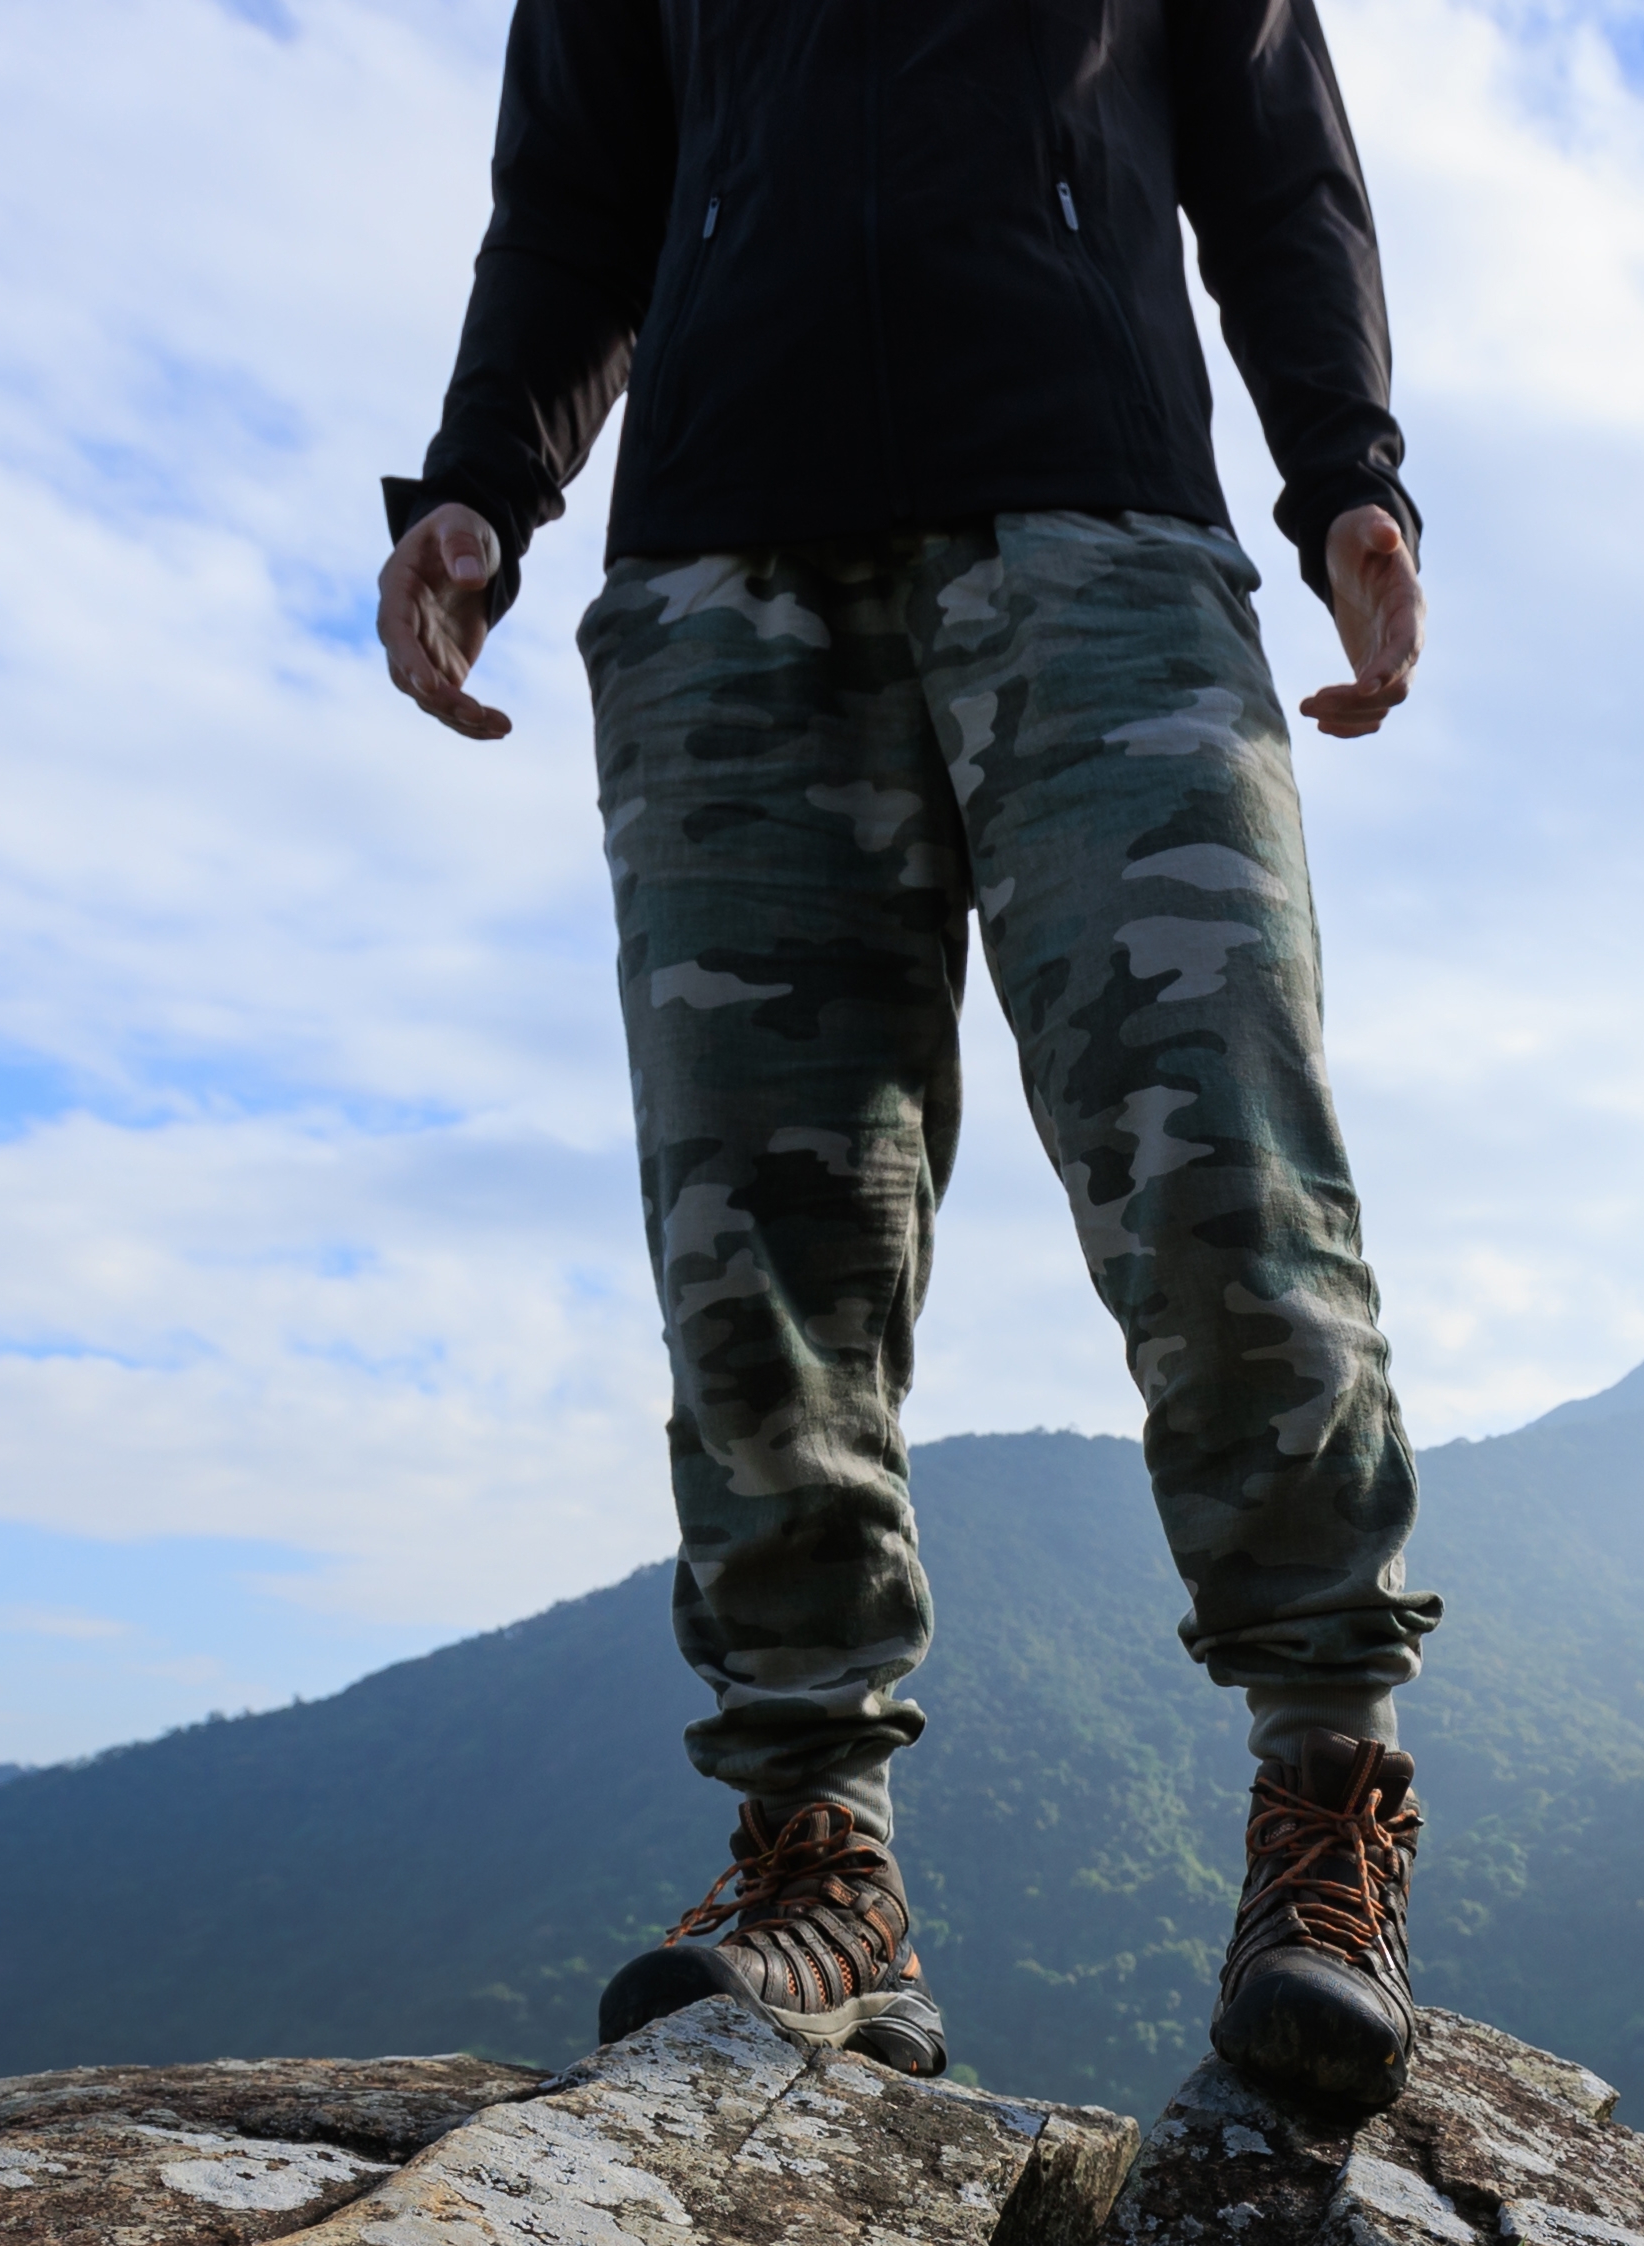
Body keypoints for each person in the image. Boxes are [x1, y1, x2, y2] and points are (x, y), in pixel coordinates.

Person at [377, 0, 1446, 2111]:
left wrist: (1347, 478)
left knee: (1220, 1164)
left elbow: (1276, 160)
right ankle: (817, 1864)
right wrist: (485, 483)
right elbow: (575, 209)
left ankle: (1331, 1812)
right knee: (756, 1244)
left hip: (1101, 548)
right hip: (718, 576)